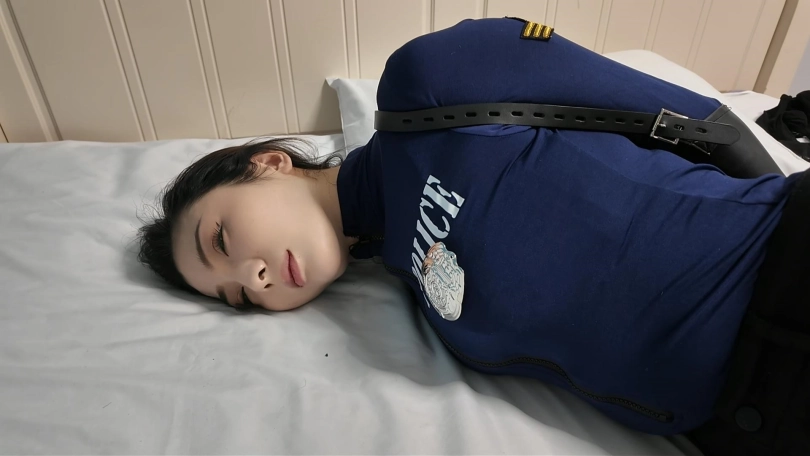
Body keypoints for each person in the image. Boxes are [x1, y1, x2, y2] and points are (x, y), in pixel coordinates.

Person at [137, 17, 808, 455]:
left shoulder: (426, 87)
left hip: (780, 265)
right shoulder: (407, 284)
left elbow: (700, 122)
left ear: (266, 163)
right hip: (744, 425)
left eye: (220, 241)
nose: (254, 277)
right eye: (239, 297)